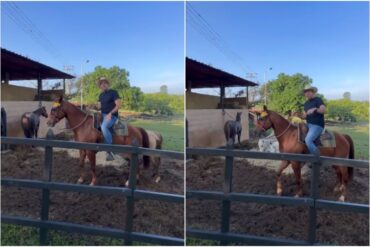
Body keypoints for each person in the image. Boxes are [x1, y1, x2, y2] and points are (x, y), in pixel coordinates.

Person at [97, 77, 121, 161]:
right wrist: (93, 107)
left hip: (112, 116)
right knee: (92, 125)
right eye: (101, 84)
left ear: (108, 84)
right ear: (100, 86)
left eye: (104, 83)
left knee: (104, 127)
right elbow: (99, 107)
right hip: (103, 115)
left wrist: (110, 113)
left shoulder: (113, 92)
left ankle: (110, 151)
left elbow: (118, 105)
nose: (103, 85)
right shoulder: (100, 95)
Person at [303, 86, 326, 156]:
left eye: (308, 91)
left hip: (317, 125)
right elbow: (305, 116)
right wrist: (299, 116)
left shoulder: (318, 100)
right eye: (305, 92)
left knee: (308, 140)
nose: (307, 93)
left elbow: (323, 110)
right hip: (308, 124)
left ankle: (317, 158)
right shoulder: (306, 103)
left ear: (313, 92)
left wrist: (315, 109)